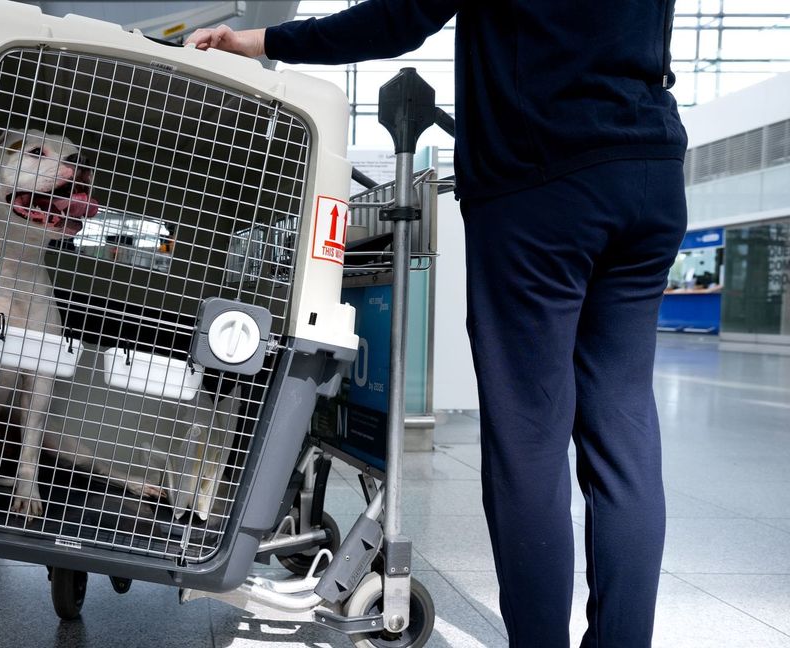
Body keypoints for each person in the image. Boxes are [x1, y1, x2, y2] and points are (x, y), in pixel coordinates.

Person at [189, 2, 686, 646]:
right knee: (624, 434)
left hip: (542, 179)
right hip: (648, 171)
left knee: (529, 441)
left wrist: (257, 41)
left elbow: (400, 18)